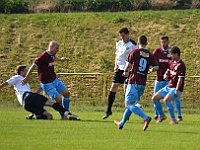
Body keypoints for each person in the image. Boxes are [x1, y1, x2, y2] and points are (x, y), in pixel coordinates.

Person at [21, 41, 79, 120]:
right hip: (47, 83)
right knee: (58, 100)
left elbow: (54, 58)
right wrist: (27, 77)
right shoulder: (43, 56)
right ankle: (64, 115)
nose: (58, 50)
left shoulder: (52, 54)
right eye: (56, 48)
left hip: (55, 79)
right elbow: (33, 66)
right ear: (51, 47)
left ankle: (67, 112)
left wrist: (61, 60)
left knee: (66, 93)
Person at [114, 35, 159, 131]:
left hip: (133, 81)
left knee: (128, 105)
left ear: (138, 43)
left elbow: (128, 64)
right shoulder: (150, 55)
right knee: (131, 104)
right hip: (142, 84)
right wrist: (151, 70)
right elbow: (156, 67)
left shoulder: (135, 52)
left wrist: (125, 72)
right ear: (147, 43)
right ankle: (121, 123)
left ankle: (145, 118)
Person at [0, 65, 70, 120]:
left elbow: (36, 93)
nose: (27, 72)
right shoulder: (18, 77)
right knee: (51, 103)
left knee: (49, 116)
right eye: (26, 71)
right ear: (21, 72)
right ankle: (68, 113)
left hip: (26, 105)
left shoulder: (24, 83)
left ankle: (36, 118)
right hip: (27, 96)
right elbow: (6, 83)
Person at [103, 27, 138, 119]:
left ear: (128, 34)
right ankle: (108, 110)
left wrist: (131, 69)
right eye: (121, 36)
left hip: (128, 69)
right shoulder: (119, 44)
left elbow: (135, 59)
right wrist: (115, 65)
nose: (122, 38)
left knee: (126, 89)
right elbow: (117, 56)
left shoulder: (133, 45)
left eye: (123, 36)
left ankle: (128, 112)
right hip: (119, 69)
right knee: (113, 87)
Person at [152, 46, 186, 124]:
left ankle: (173, 119)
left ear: (177, 54)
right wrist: (166, 74)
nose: (171, 56)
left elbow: (180, 79)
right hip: (168, 86)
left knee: (166, 100)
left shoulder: (181, 65)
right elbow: (168, 70)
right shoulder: (171, 62)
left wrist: (177, 90)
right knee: (154, 98)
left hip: (176, 88)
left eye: (172, 55)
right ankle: (162, 115)